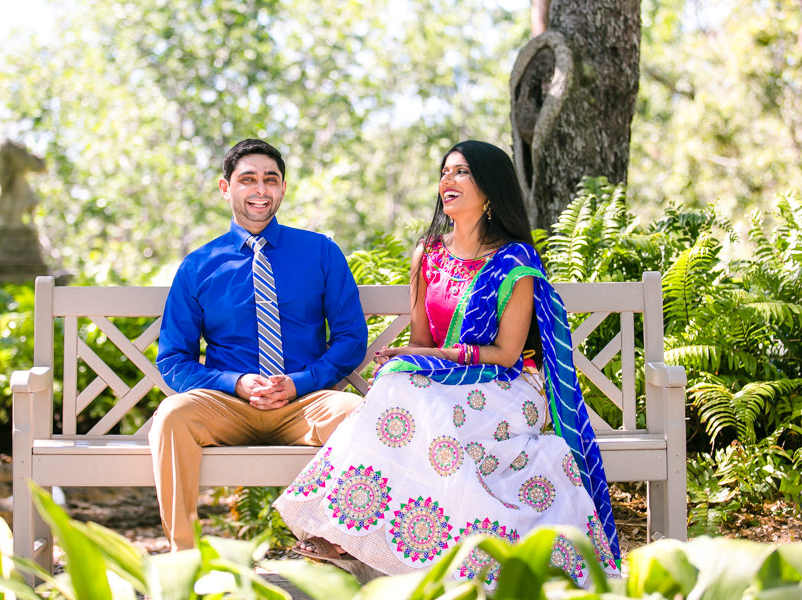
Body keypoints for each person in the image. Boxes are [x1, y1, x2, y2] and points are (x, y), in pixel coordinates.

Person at [273, 141, 622, 587]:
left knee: (410, 396)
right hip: (442, 384)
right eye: (445, 172)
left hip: (508, 387)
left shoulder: (514, 260)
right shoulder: (429, 254)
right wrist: (411, 360)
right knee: (400, 388)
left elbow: (507, 354)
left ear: (490, 189)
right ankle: (359, 529)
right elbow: (420, 341)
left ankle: (350, 530)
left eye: (462, 173)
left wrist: (428, 359)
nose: (447, 181)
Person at [151, 139, 368, 551]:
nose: (260, 190)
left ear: (283, 188)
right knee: (172, 416)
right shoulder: (199, 265)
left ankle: (333, 544)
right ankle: (185, 557)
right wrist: (236, 383)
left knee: (356, 414)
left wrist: (301, 382)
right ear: (225, 187)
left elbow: (350, 338)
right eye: (247, 179)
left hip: (304, 404)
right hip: (229, 405)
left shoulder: (320, 252)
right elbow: (174, 358)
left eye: (270, 180)